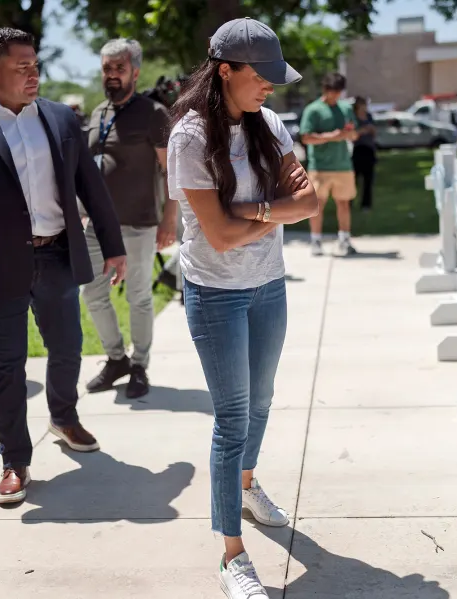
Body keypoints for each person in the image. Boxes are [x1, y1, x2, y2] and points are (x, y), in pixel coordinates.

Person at [0, 27, 127, 506]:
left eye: (36, 65)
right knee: (6, 367)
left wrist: (114, 245)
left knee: (67, 349)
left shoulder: (61, 119)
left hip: (59, 254)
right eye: (22, 68)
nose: (33, 75)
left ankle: (63, 417)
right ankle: (14, 461)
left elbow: (91, 188)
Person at [168, 17, 318, 599]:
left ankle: (247, 486)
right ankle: (232, 554)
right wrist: (272, 209)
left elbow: (308, 201)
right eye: (263, 77)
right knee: (231, 419)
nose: (271, 89)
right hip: (215, 295)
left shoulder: (269, 122)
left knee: (262, 400)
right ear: (225, 71)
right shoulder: (189, 137)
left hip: (269, 286)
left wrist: (253, 212)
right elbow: (218, 237)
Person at [80, 38, 178, 399]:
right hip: (96, 226)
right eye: (107, 68)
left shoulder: (153, 114)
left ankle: (139, 365)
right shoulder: (98, 113)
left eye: (119, 68)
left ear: (135, 72)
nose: (112, 75)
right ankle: (115, 358)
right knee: (92, 293)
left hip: (139, 222)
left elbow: (172, 172)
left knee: (138, 296)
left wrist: (169, 219)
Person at [299, 72, 358, 257]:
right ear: (325, 90)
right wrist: (330, 136)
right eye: (333, 92)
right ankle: (316, 240)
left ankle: (345, 239)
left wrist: (348, 134)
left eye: (339, 92)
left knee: (344, 203)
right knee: (317, 204)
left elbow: (354, 133)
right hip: (320, 166)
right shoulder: (313, 110)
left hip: (343, 165)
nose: (336, 96)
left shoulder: (345, 108)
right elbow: (306, 137)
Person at [351, 96, 377, 212]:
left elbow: (374, 132)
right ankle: (349, 202)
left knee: (368, 179)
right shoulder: (353, 118)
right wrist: (362, 130)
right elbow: (353, 134)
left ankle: (366, 204)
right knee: (353, 180)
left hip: (369, 150)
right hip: (357, 150)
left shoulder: (369, 117)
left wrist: (370, 130)